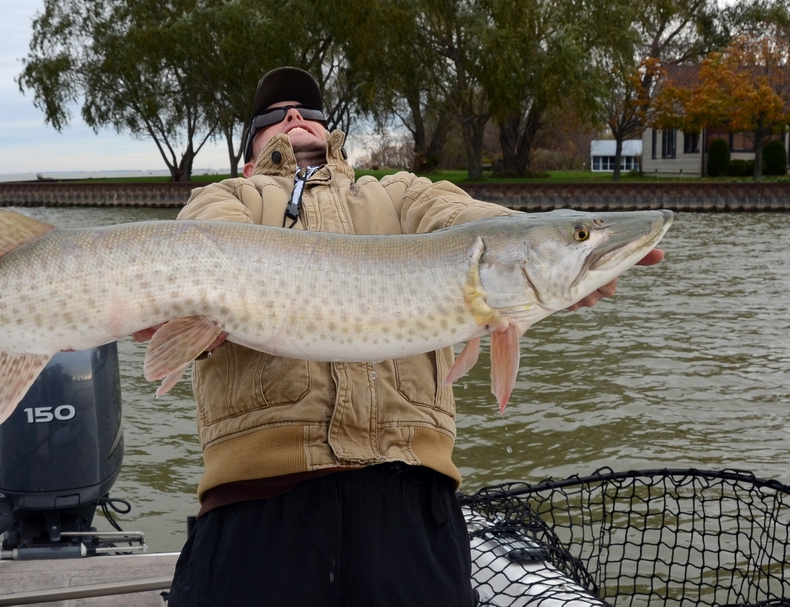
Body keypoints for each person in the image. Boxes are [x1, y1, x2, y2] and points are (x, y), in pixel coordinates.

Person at [142, 67, 663, 606]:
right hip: (258, 506)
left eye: (308, 111)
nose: (294, 116)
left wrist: (561, 253)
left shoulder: (398, 194)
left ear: (330, 131)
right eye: (274, 116)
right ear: (250, 151)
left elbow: (467, 218)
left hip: (411, 503)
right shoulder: (229, 200)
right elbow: (191, 266)